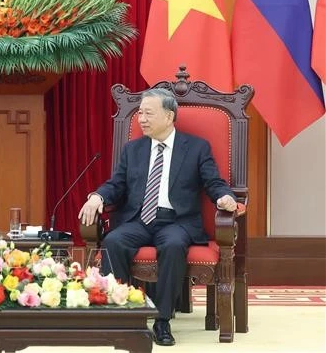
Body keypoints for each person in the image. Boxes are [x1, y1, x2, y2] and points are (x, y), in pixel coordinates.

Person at [78, 88, 237, 347]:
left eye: (148, 113)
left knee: (173, 245)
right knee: (114, 241)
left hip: (177, 220)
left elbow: (214, 182)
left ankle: (162, 320)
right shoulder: (133, 149)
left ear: (169, 116)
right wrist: (98, 196)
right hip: (139, 219)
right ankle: (122, 315)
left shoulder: (196, 148)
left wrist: (223, 197)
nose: (141, 118)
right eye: (139, 113)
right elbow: (116, 184)